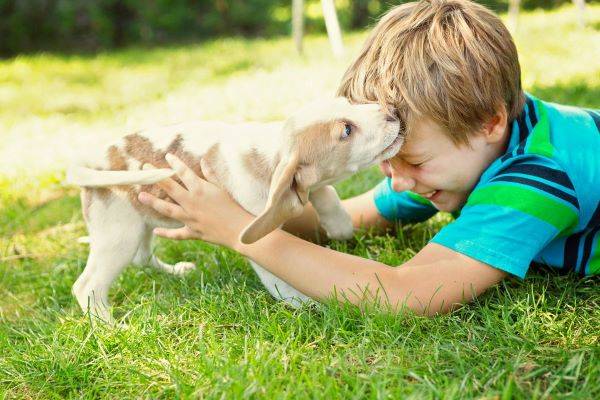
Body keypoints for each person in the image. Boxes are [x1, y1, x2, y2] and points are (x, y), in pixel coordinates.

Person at [137, 0, 600, 316]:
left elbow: (409, 293)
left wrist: (244, 239)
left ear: (490, 123)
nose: (399, 183)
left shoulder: (538, 176)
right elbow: (354, 219)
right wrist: (240, 206)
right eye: (388, 162)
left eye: (413, 163)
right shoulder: (462, 144)